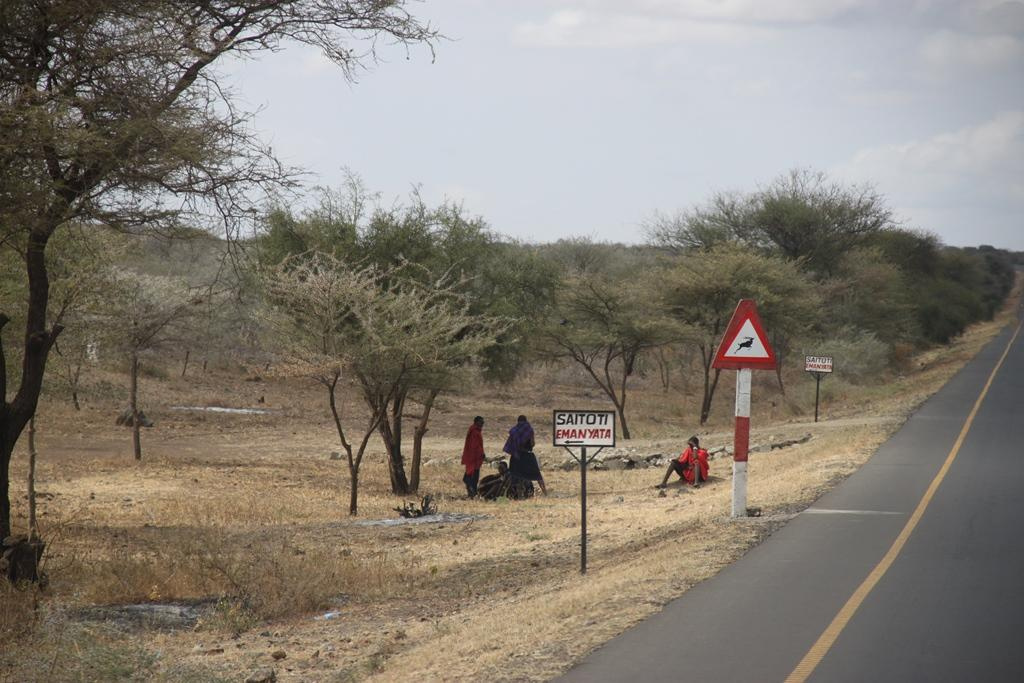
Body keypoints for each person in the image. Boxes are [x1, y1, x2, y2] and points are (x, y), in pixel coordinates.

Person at [503, 414, 547, 495]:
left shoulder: (514, 431)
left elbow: (510, 445)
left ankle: (514, 493)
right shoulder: (529, 430)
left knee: (515, 476)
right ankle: (545, 493)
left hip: (516, 457)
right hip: (527, 456)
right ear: (526, 421)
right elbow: (532, 443)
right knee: (537, 476)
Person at [462, 416, 486, 497]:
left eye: (483, 422)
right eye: (481, 422)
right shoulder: (475, 432)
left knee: (471, 475)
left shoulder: (475, 431)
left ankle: (472, 491)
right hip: (474, 458)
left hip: (473, 457)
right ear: (476, 422)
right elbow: (475, 446)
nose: (482, 424)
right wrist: (481, 454)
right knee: (473, 476)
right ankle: (472, 492)